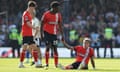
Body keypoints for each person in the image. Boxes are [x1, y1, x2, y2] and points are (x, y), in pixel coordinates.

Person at [40, 1, 64, 68]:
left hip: (54, 35)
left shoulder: (58, 15)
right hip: (47, 34)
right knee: (48, 47)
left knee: (55, 48)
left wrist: (62, 35)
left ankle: (56, 64)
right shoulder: (46, 14)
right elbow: (41, 24)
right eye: (58, 8)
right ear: (53, 7)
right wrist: (41, 34)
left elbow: (60, 25)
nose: (59, 9)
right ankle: (47, 63)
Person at [18, 1, 40, 68]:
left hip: (29, 34)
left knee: (34, 47)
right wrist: (35, 28)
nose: (34, 9)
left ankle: (36, 63)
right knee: (24, 48)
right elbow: (27, 24)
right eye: (33, 8)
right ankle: (21, 64)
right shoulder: (26, 14)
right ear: (30, 7)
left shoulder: (29, 14)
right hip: (26, 34)